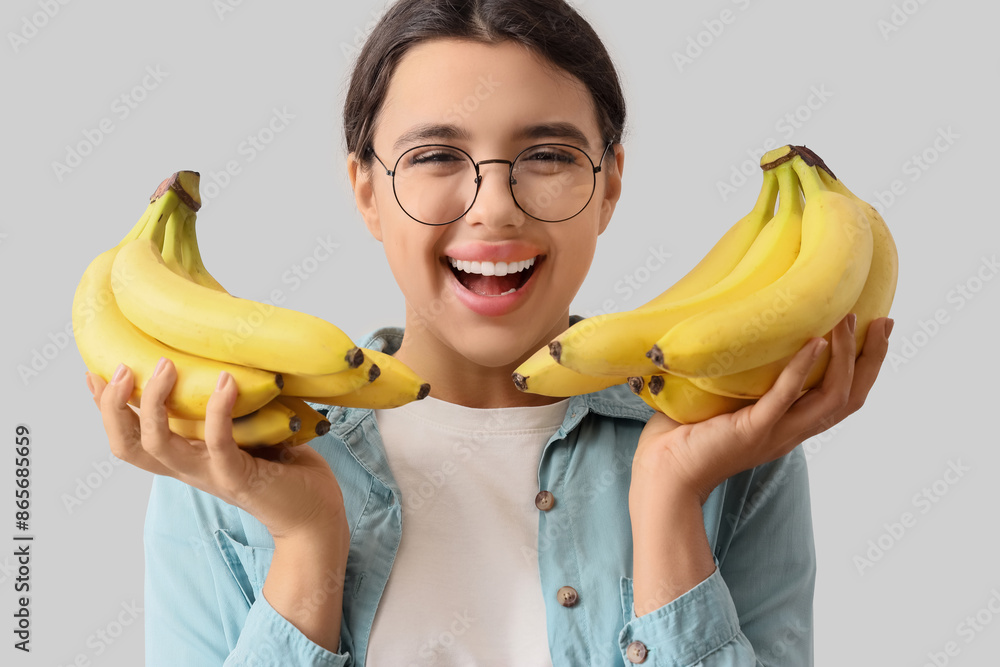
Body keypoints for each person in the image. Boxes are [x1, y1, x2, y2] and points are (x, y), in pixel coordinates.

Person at [84, 0, 893, 664]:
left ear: (609, 183)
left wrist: (671, 506)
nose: (494, 206)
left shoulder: (735, 447)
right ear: (365, 190)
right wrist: (304, 546)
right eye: (436, 155)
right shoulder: (226, 459)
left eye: (547, 155)